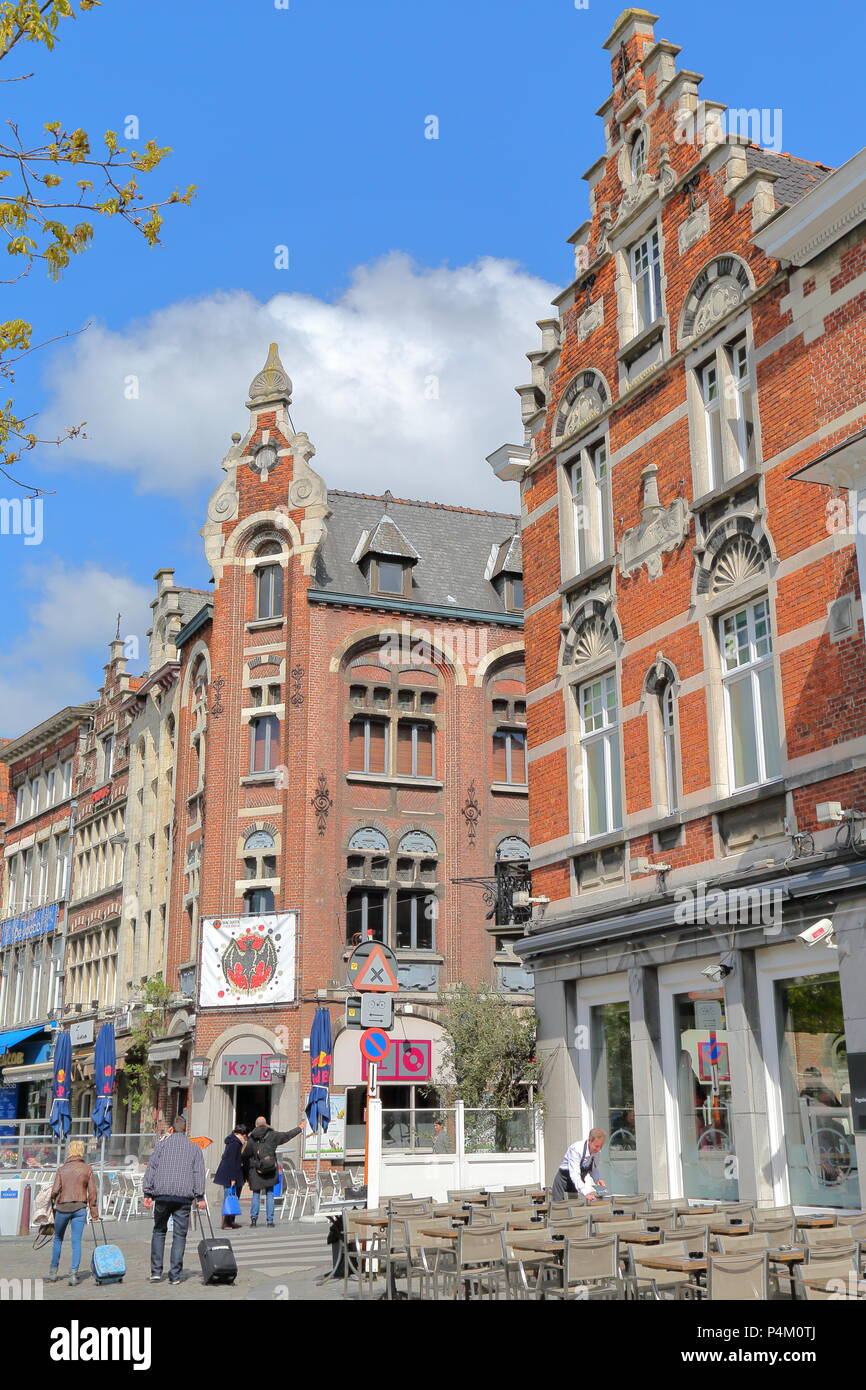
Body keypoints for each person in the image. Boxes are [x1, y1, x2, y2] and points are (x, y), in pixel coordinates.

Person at [142, 1114, 206, 1285]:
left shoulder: (162, 1145)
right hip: (183, 1197)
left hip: (162, 1194)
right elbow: (198, 1173)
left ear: (172, 1128)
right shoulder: (194, 1149)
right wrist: (199, 1196)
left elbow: (152, 1168)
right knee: (179, 1235)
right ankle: (175, 1275)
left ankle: (156, 1272)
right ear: (185, 1129)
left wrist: (147, 1193)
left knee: (159, 1230)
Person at [48, 1138, 99, 1285]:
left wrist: (53, 1198)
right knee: (76, 1241)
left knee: (58, 1239)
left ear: (70, 1151)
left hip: (63, 1208)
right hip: (79, 1208)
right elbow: (92, 1192)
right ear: (81, 1151)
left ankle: (53, 1272)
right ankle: (73, 1274)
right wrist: (94, 1212)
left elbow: (54, 1191)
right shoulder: (87, 1169)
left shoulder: (62, 1169)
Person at [246, 1114, 306, 1227]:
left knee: (256, 1194)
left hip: (256, 1170)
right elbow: (287, 1135)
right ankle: (270, 1221)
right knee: (269, 1193)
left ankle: (253, 1220)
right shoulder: (273, 1135)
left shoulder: (251, 1137)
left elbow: (247, 1154)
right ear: (266, 1124)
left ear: (256, 1125)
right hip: (270, 1169)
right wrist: (300, 1128)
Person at [550, 1128, 609, 1202]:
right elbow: (574, 1174)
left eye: (601, 1146)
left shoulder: (597, 1152)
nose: (598, 1149)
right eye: (596, 1146)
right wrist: (586, 1193)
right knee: (558, 1209)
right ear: (589, 1141)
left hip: (577, 1183)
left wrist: (598, 1179)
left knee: (576, 1209)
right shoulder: (576, 1149)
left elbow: (593, 1169)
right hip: (563, 1182)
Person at [214, 1124, 248, 1230]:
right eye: (245, 1135)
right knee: (229, 1198)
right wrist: (233, 1178)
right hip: (230, 1175)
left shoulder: (235, 1142)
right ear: (242, 1134)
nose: (246, 1137)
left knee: (233, 1197)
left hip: (233, 1173)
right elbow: (232, 1161)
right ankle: (225, 1223)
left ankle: (231, 1221)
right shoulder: (235, 1143)